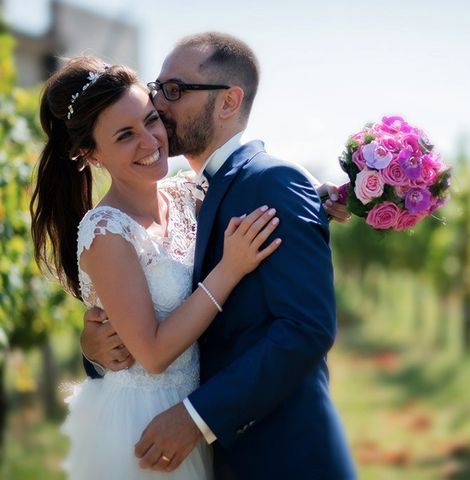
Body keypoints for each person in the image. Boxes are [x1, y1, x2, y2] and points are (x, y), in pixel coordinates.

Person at [82, 32, 356, 479]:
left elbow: (306, 329)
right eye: (157, 89)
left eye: (174, 90)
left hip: (283, 456)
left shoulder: (271, 183)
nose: (158, 105)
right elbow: (159, 307)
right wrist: (96, 350)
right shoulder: (187, 195)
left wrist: (196, 417)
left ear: (229, 102)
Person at [30, 56, 284, 479]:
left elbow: (259, 207)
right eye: (126, 135)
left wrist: (324, 198)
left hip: (202, 409)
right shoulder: (106, 230)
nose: (150, 141)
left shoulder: (186, 194)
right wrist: (229, 269)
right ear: (91, 154)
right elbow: (151, 353)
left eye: (151, 120)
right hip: (144, 425)